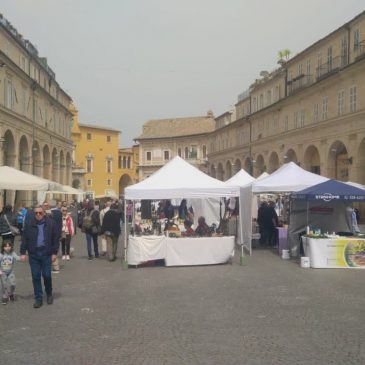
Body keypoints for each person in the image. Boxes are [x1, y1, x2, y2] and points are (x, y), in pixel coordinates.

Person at [20, 205, 59, 308]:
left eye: (40, 213)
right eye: (36, 213)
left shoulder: (51, 223)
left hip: (46, 253)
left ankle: (49, 293)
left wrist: (54, 253)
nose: (38, 214)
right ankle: (38, 298)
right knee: (35, 276)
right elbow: (24, 239)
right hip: (34, 254)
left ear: (44, 213)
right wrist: (22, 253)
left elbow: (55, 238)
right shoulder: (29, 224)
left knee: (47, 275)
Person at [0, 240, 21, 305]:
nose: (7, 248)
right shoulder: (1, 255)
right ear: (3, 247)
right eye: (6, 246)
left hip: (10, 272)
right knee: (4, 285)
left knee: (13, 284)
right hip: (3, 273)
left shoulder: (12, 253)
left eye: (9, 246)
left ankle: (11, 294)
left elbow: (18, 258)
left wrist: (22, 258)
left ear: (11, 247)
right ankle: (5, 297)